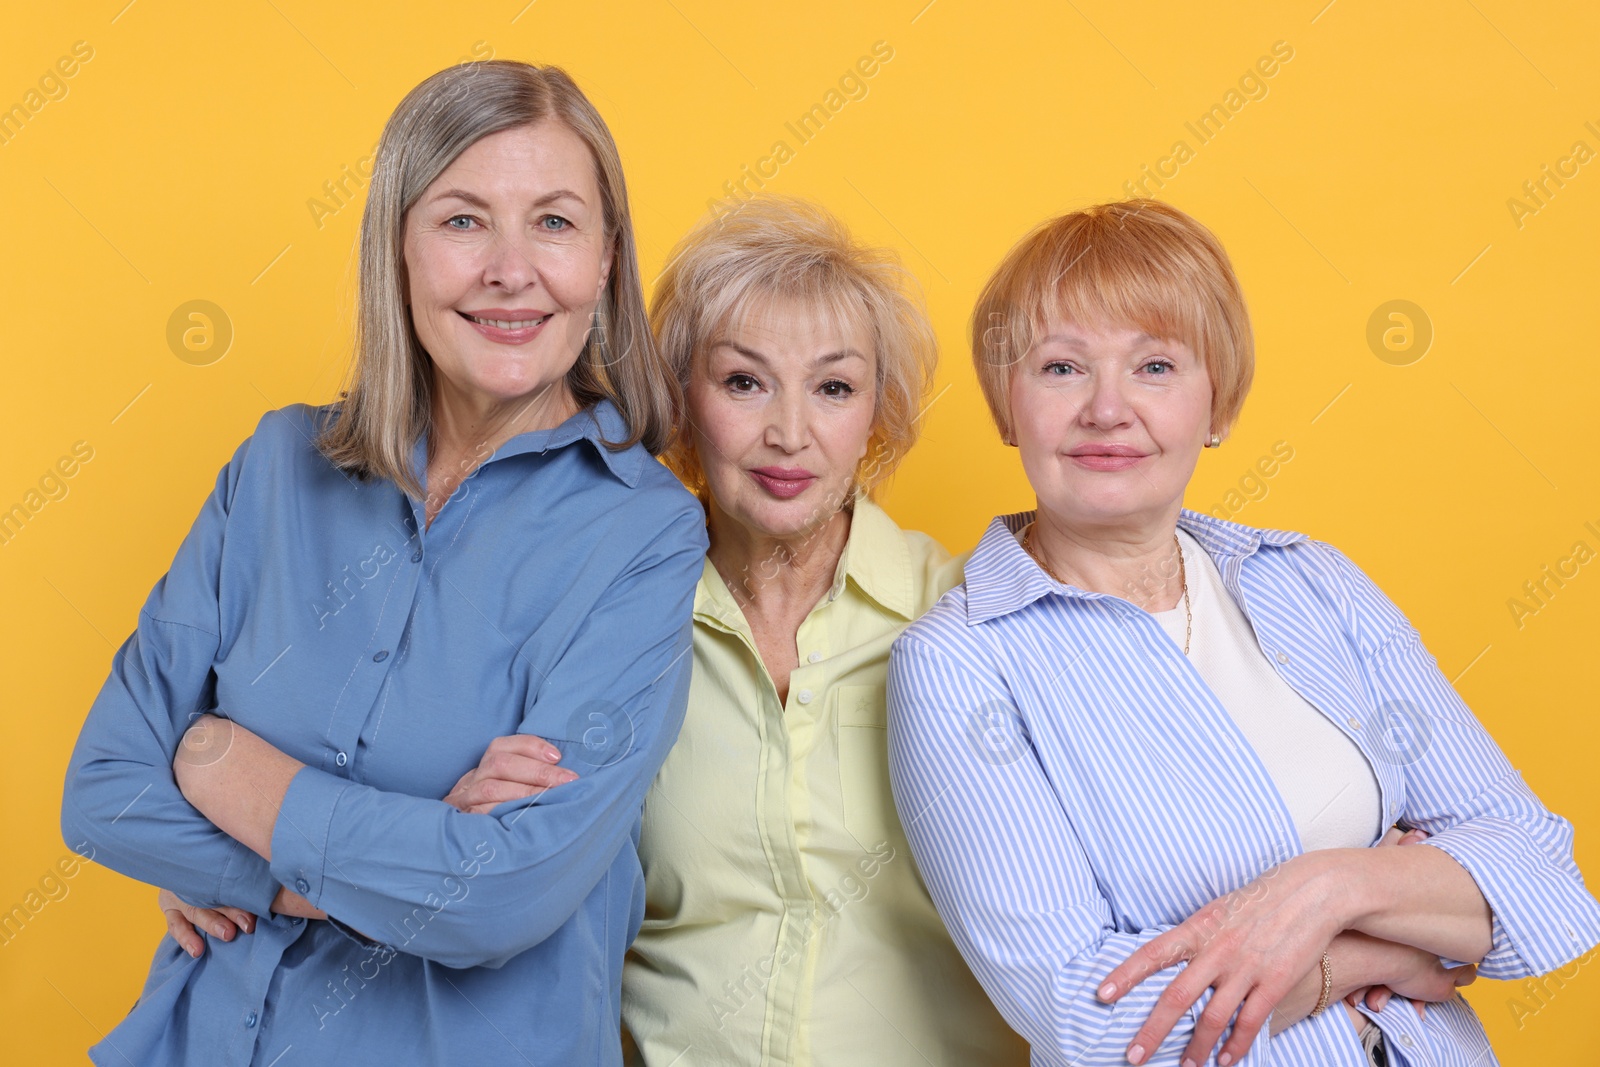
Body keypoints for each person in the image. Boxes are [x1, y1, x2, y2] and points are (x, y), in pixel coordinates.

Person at [60, 60, 705, 1067]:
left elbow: (498, 892)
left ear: (607, 256)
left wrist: (218, 764)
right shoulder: (274, 469)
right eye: (461, 220)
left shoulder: (646, 532)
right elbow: (102, 792)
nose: (509, 268)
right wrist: (361, 857)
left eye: (553, 221)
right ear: (395, 247)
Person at [885, 199, 1600, 1067]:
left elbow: (1543, 879)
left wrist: (1326, 886)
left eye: (1155, 366)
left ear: (1216, 404)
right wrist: (1380, 949)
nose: (1109, 409)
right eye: (1063, 368)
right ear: (1007, 407)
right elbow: (1091, 1015)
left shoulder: (1313, 581)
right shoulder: (960, 664)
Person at [620, 197, 1028, 1064]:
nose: (789, 433)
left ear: (877, 414)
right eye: (744, 381)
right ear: (684, 401)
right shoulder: (612, 620)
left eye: (833, 387)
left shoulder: (972, 614)